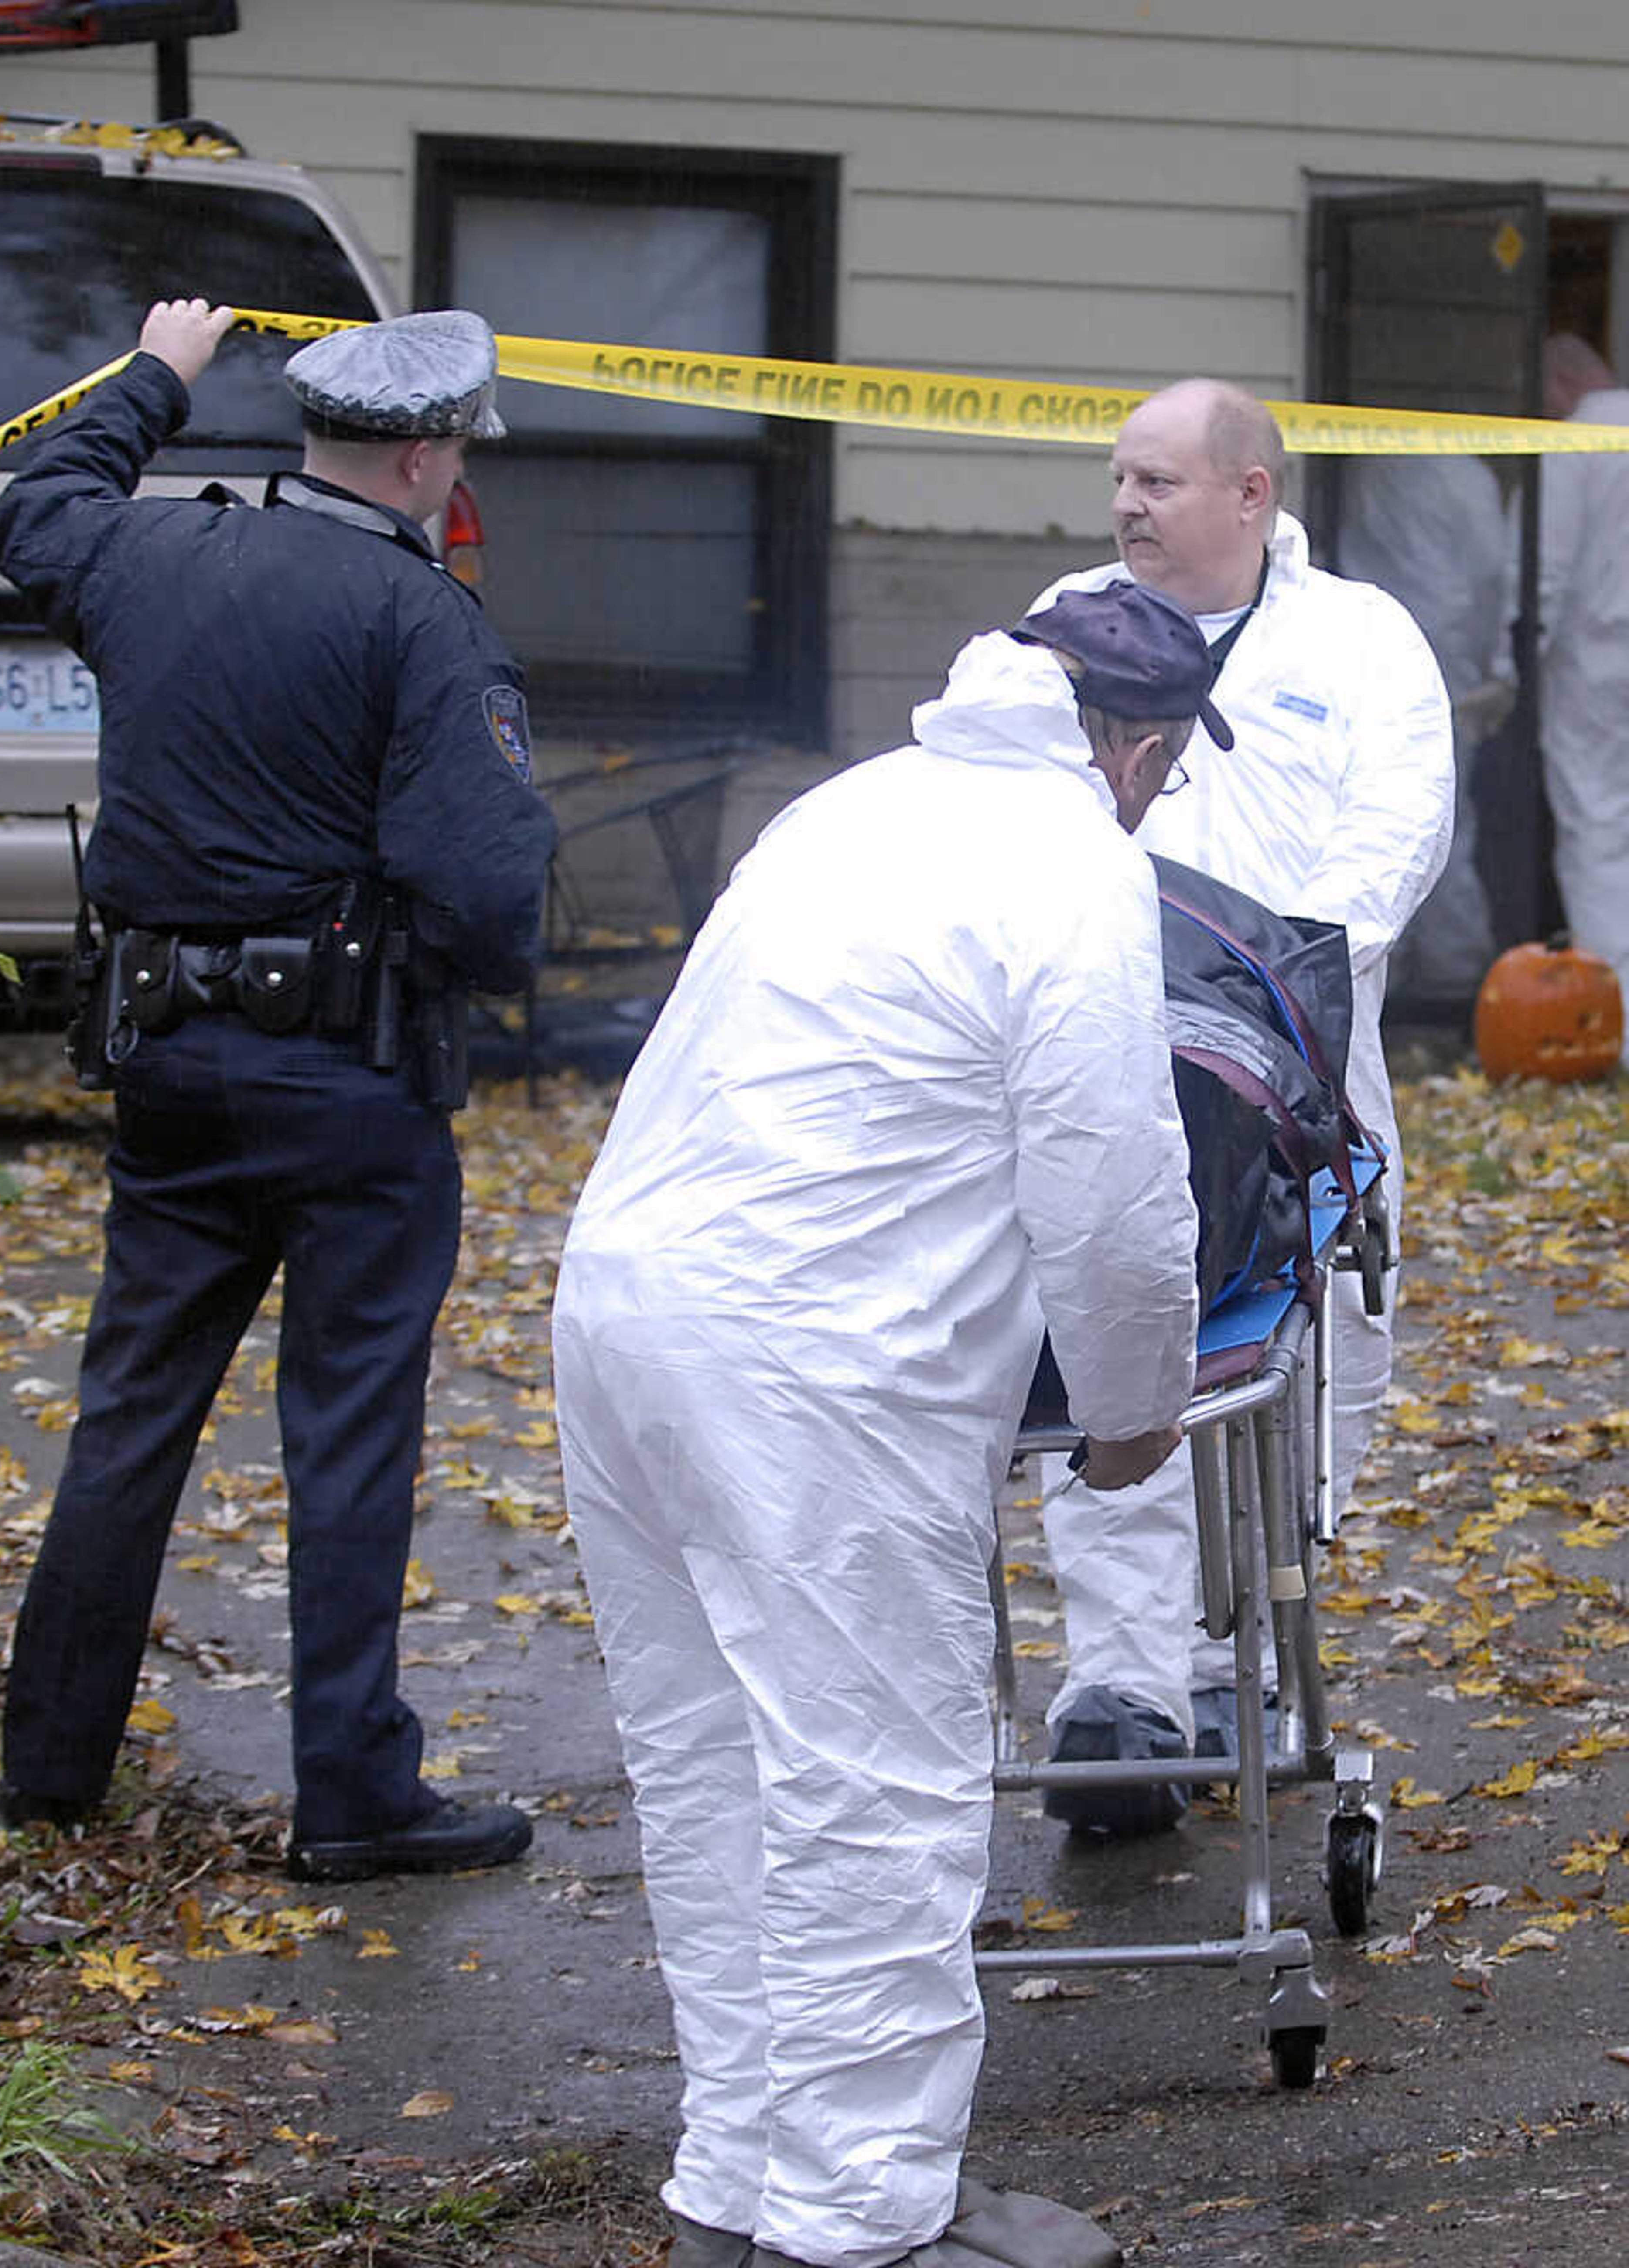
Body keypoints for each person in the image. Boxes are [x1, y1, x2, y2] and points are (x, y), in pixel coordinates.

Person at [553, 583, 1212, 2268]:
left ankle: (741, 2177)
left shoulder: (842, 806)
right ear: (1133, 747)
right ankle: (858, 2217)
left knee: (716, 1774)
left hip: (627, 1315)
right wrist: (1137, 1411)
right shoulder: (1076, 864)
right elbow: (1115, 1195)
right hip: (816, 1364)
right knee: (876, 1787)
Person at [0, 298, 555, 1883]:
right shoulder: (420, 622)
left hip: (168, 1067)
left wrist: (155, 379)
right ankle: (356, 1790)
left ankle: (51, 1761)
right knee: (349, 1433)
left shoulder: (145, 557)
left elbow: (30, 506)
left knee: (128, 1415)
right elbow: (490, 900)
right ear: (431, 453)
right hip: (352, 1086)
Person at [1025, 379, 1454, 1831]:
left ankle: (1246, 1661)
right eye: (1121, 480)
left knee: (1293, 1376)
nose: (1127, 505)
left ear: (1252, 496)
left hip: (1292, 1076)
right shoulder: (1070, 616)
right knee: (1111, 1350)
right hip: (1097, 1065)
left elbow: (1391, 840)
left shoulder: (1361, 643)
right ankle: (1125, 1692)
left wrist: (1258, 988)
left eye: (1157, 481)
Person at [1338, 454, 1507, 1003]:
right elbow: (1490, 575)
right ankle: (1455, 974)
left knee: (1377, 810)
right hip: (1449, 654)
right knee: (1446, 818)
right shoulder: (1464, 475)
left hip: (1367, 652)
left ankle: (1400, 968)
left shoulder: (1365, 471)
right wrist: (1499, 668)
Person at [1523, 333, 1629, 1060]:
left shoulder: (1578, 442)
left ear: (1558, 385)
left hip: (1595, 661)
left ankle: (1613, 1025)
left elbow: (1547, 569)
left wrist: (1516, 669)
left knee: (1598, 832)